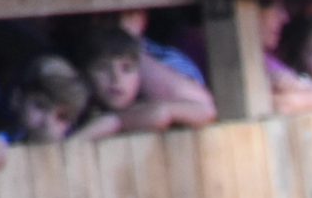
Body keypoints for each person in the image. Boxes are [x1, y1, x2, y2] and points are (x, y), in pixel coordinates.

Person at [72, 24, 215, 137]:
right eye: (102, 68)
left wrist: (118, 121)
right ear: (85, 75)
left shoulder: (146, 103)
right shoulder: (75, 116)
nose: (116, 78)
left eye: (126, 69)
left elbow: (205, 111)